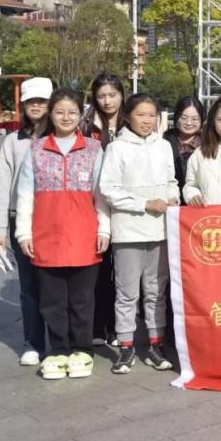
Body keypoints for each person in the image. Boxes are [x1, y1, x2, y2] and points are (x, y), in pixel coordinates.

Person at [15, 88, 109, 380]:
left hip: (84, 236)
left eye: (72, 112)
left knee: (82, 300)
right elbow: (25, 194)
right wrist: (23, 233)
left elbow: (101, 196)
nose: (66, 117)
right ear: (50, 114)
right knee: (51, 300)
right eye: (59, 112)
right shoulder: (37, 149)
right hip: (47, 236)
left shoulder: (93, 149)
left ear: (80, 114)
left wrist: (104, 228)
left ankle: (82, 350)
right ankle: (57, 350)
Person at [100, 93, 179, 375]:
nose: (147, 120)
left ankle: (156, 344)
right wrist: (144, 204)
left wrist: (172, 197)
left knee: (156, 292)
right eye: (141, 114)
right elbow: (108, 190)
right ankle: (126, 346)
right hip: (129, 232)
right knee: (127, 293)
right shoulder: (117, 148)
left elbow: (171, 181)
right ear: (128, 116)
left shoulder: (163, 146)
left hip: (160, 230)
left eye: (151, 115)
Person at [0, 76, 53, 367]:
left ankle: (60, 340)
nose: (36, 106)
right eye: (31, 102)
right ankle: (33, 343)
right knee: (29, 288)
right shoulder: (12, 141)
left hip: (54, 220)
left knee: (55, 286)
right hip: (21, 221)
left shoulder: (60, 136)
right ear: (23, 106)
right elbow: (3, 187)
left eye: (42, 101)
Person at [82, 73, 124, 346]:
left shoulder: (132, 121)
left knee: (122, 271)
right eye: (101, 96)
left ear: (122, 95)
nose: (107, 101)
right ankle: (98, 325)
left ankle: (119, 327)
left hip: (126, 204)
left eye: (112, 95)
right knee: (99, 267)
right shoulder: (86, 125)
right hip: (95, 202)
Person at [163, 96, 205, 201]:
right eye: (184, 118)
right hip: (170, 201)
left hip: (200, 202)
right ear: (177, 117)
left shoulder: (208, 143)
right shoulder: (164, 141)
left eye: (194, 119)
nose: (189, 123)